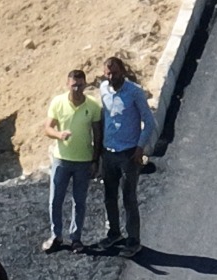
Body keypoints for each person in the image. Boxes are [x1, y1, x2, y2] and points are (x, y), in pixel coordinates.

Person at [94, 56, 153, 252]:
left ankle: (133, 240)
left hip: (129, 155)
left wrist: (139, 147)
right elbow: (104, 117)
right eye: (108, 73)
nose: (112, 77)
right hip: (109, 153)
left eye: (115, 73)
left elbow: (149, 122)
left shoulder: (134, 92)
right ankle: (113, 233)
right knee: (109, 196)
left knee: (129, 198)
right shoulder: (103, 90)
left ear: (123, 72)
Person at [43, 68, 102, 252]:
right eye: (74, 85)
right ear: (67, 84)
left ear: (85, 84)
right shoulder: (58, 103)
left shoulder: (92, 106)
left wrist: (95, 160)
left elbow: (98, 135)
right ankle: (56, 235)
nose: (77, 88)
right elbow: (47, 128)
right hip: (61, 160)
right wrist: (59, 134)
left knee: (79, 201)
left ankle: (76, 238)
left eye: (80, 84)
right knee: (55, 200)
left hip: (83, 161)